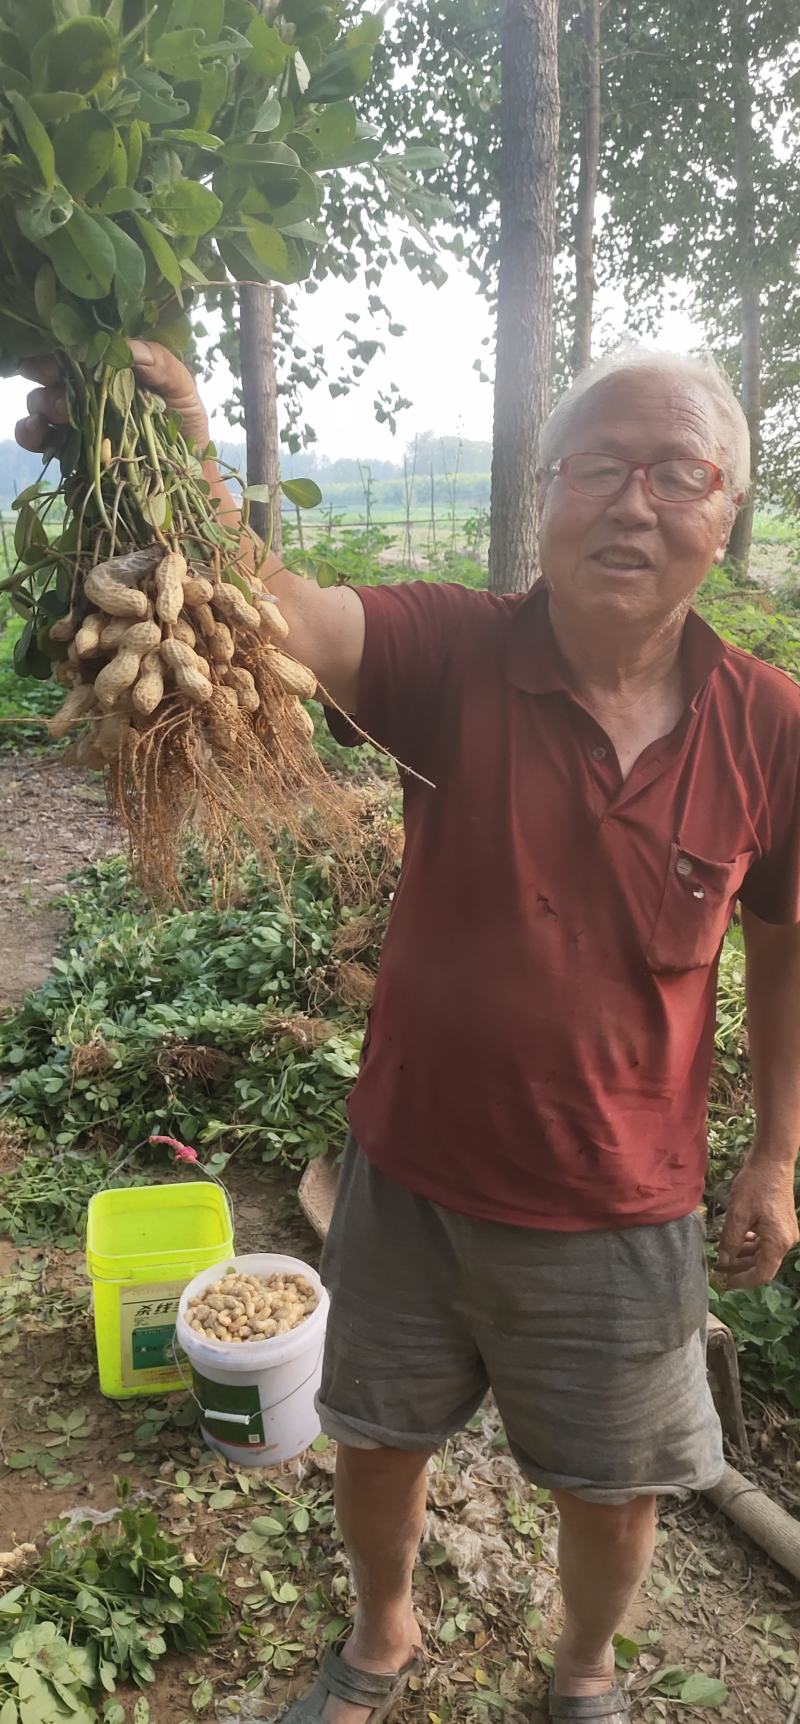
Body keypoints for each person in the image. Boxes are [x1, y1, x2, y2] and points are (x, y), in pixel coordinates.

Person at [17, 345, 800, 1724]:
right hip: (416, 1177)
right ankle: (383, 1637)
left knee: (615, 1488)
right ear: (547, 494)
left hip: (623, 1207)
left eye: (678, 474)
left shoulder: (774, 729)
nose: (635, 503)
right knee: (375, 1441)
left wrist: (778, 1156)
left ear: (725, 511)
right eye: (600, 469)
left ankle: (586, 1670)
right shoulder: (454, 653)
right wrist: (187, 445)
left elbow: (786, 940)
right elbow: (287, 618)